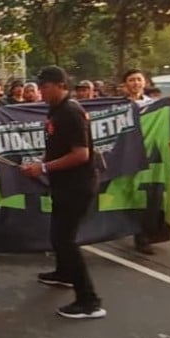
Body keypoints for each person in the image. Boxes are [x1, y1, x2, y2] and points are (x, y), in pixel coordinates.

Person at [22, 66, 106, 320]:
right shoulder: (55, 111)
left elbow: (81, 154)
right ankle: (64, 273)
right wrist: (40, 162)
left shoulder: (71, 112)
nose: (41, 91)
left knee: (65, 239)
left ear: (60, 85)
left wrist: (44, 167)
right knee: (57, 234)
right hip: (62, 184)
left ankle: (89, 300)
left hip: (77, 186)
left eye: (45, 86)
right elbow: (55, 146)